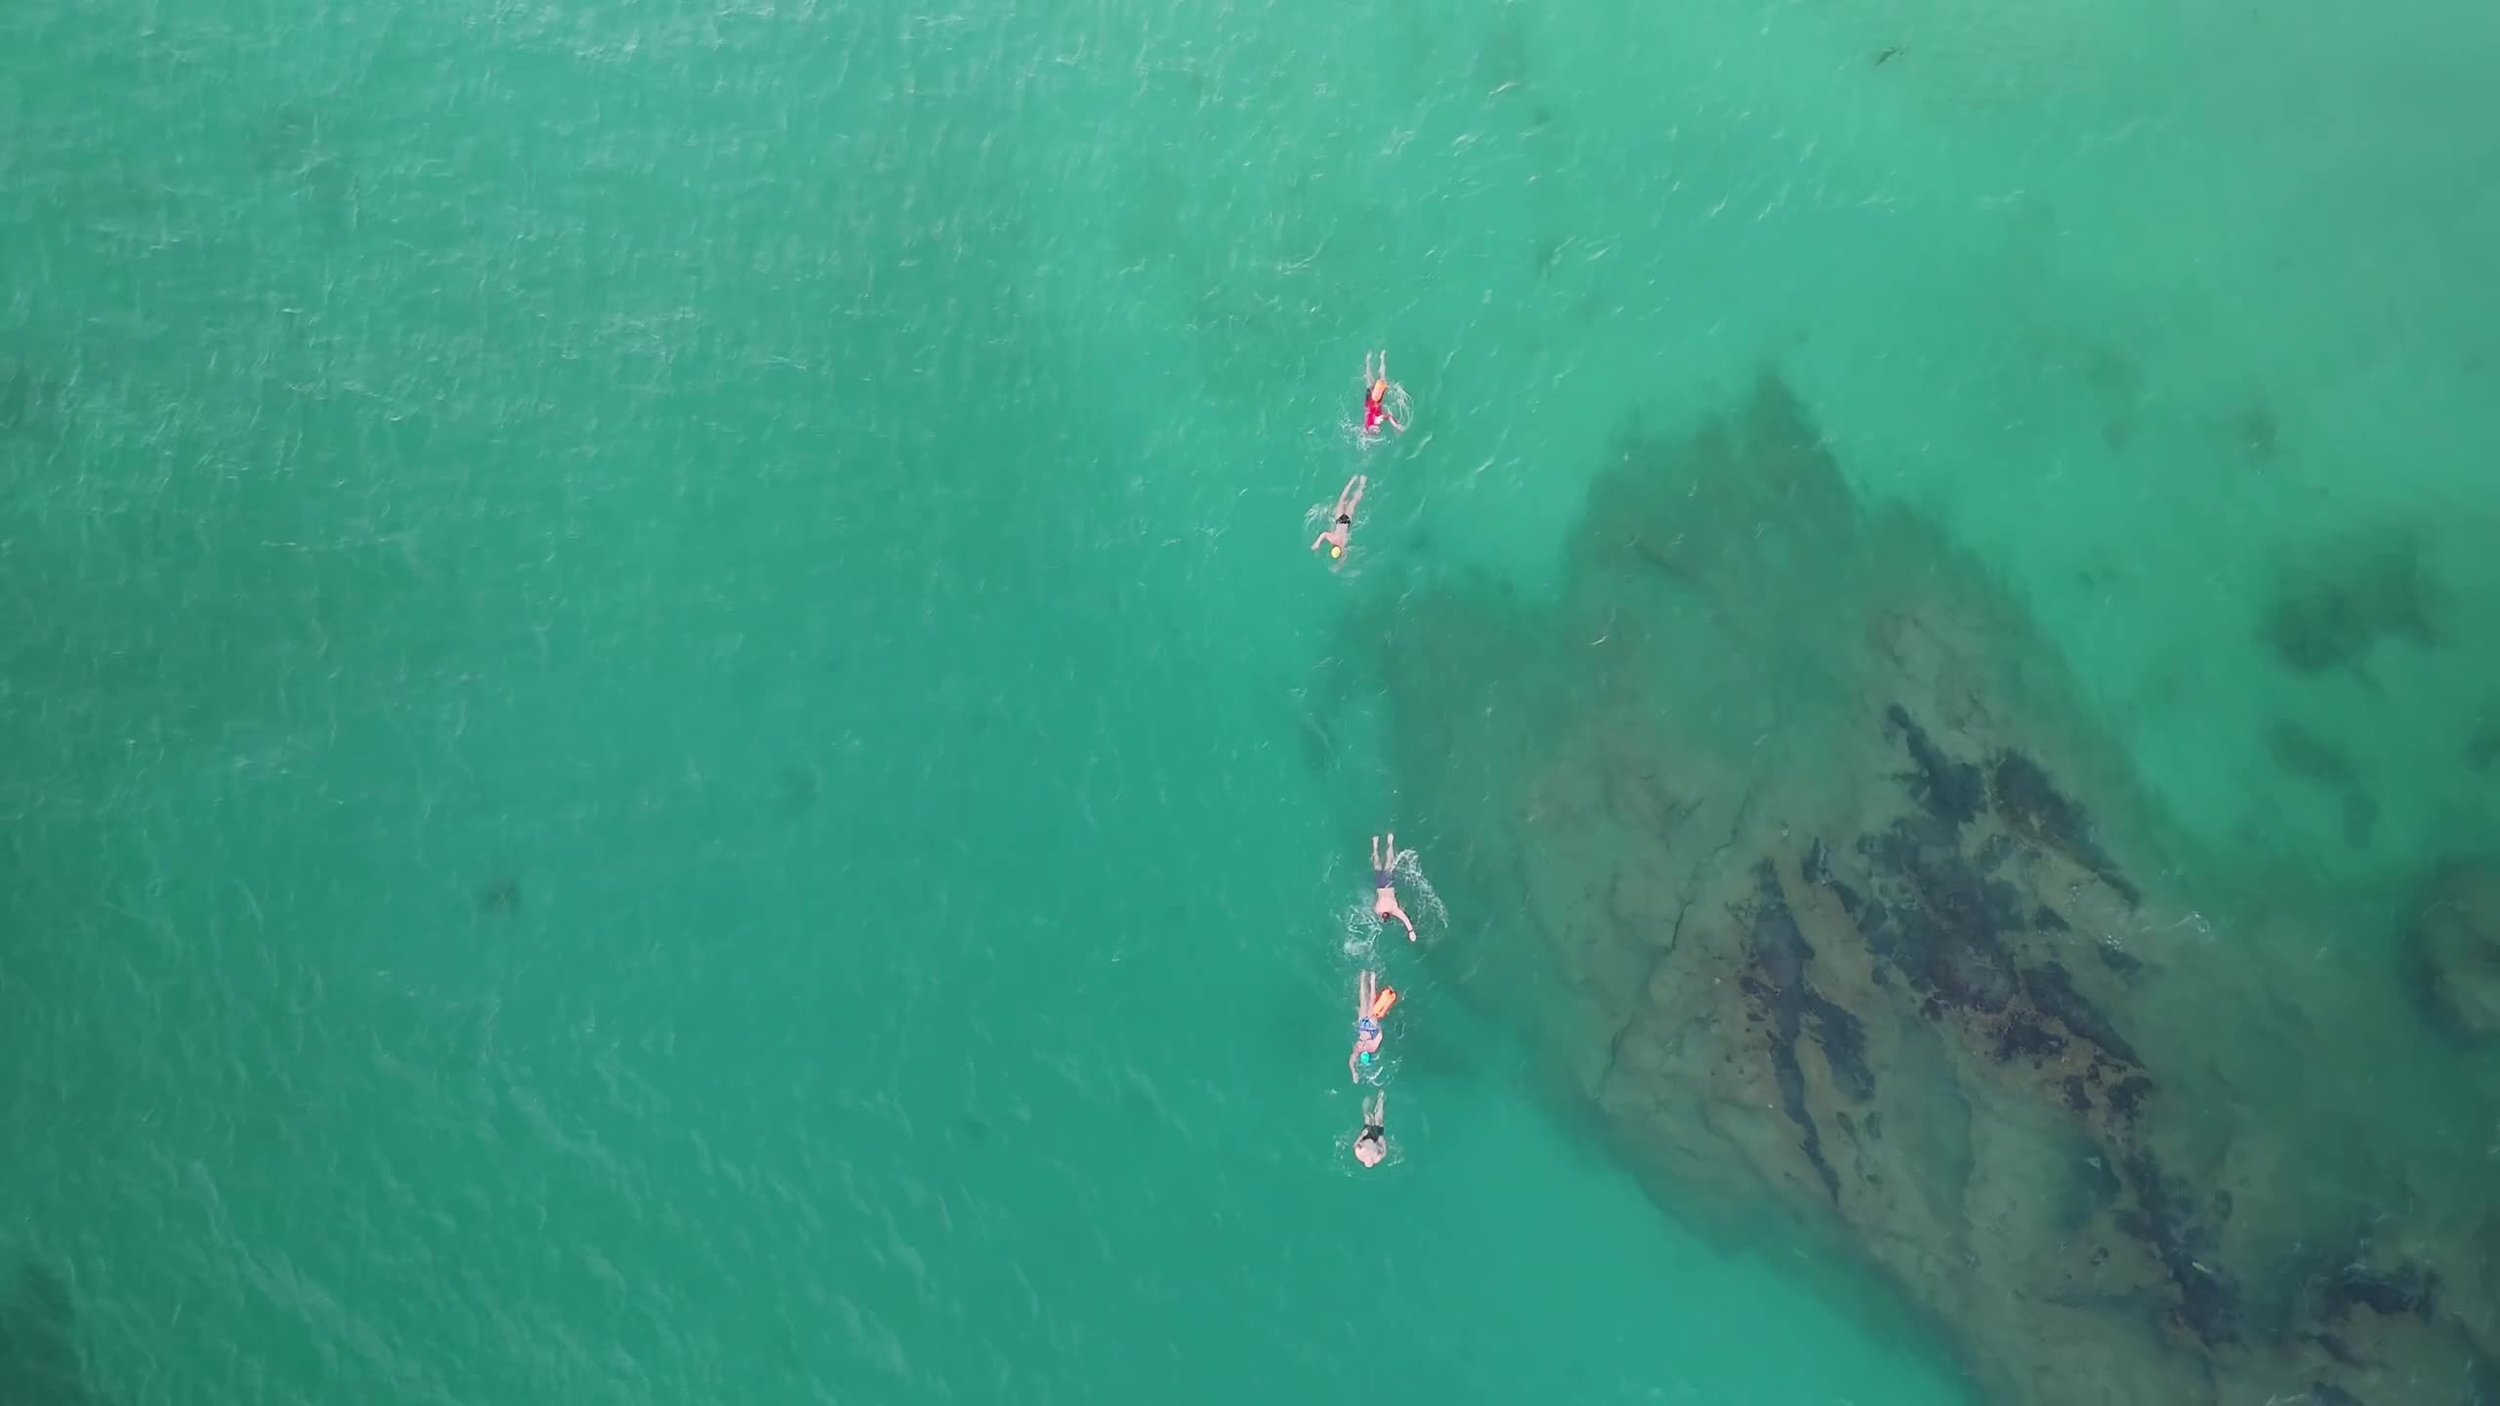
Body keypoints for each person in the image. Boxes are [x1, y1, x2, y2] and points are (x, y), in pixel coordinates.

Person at [1349, 969, 1400, 1082]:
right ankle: (1364, 977)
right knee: (1364, 1000)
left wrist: (1378, 1025)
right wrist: (1354, 1072)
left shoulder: (1372, 1048)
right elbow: (1351, 1061)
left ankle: (1372, 978)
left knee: (1369, 1001)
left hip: (1371, 1026)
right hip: (1363, 1025)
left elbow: (1380, 1034)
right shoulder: (1359, 1048)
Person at [1373, 832, 1418, 942]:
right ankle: (1375, 845)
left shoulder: (1393, 909)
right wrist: (1411, 932)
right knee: (1377, 865)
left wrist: (1411, 932)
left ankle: (1390, 842)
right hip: (1381, 886)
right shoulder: (1378, 910)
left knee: (1389, 862)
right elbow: (1405, 920)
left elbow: (1406, 920)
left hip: (1388, 885)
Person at [1311, 474, 1366, 562]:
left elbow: (1344, 556)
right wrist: (1317, 543)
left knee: (1354, 502)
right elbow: (1324, 534)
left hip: (1347, 521)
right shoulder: (1333, 539)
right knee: (1342, 498)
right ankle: (1352, 481)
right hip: (1339, 519)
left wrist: (1339, 565)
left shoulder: (1343, 545)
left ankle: (1362, 483)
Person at [1361, 350, 1407, 437]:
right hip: (1371, 402)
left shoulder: (1375, 421)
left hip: (1374, 400)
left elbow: (1388, 417)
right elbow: (1367, 426)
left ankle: (1378, 359)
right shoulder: (1368, 426)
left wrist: (1396, 426)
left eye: (1376, 430)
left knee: (1380, 380)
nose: (1378, 430)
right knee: (1371, 381)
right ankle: (1371, 360)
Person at [1353, 1090, 1389, 1168]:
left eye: (1368, 1161)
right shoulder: (1377, 1158)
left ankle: (1366, 1105)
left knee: (1369, 1117)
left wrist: (1362, 1135)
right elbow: (1384, 1153)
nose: (1369, 1160)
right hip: (1376, 1139)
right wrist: (1383, 1142)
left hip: (1366, 1137)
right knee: (1378, 1119)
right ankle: (1381, 1098)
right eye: (1370, 1161)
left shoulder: (1359, 1155)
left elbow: (1355, 1145)